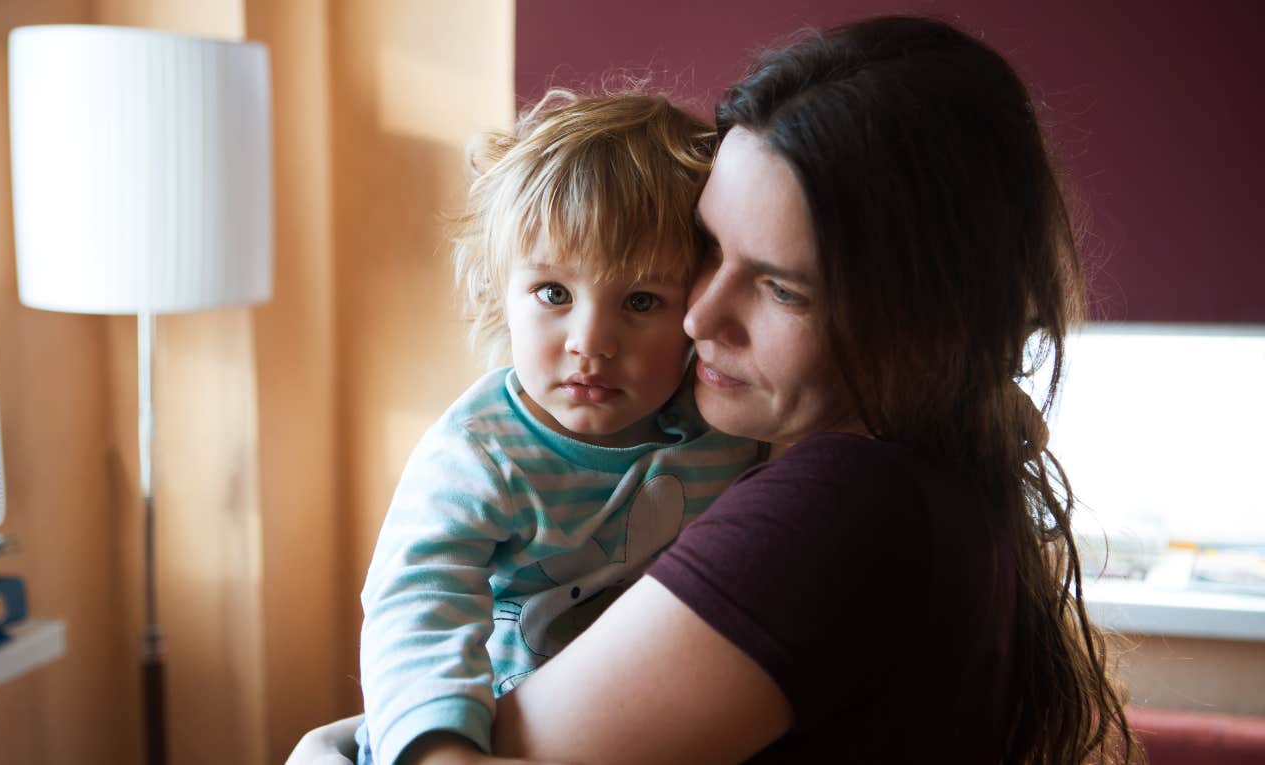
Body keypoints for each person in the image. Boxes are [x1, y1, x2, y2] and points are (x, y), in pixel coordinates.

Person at [291, 14, 1141, 765]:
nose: (697, 315)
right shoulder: (922, 466)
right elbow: (421, 600)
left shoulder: (839, 503)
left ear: (923, 320)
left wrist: (328, 752)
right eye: (708, 250)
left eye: (780, 287)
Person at [349, 90, 766, 765]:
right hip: (492, 738)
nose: (590, 341)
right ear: (499, 292)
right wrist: (440, 749)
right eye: (553, 293)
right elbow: (416, 602)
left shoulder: (730, 428)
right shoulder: (481, 451)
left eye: (640, 300)